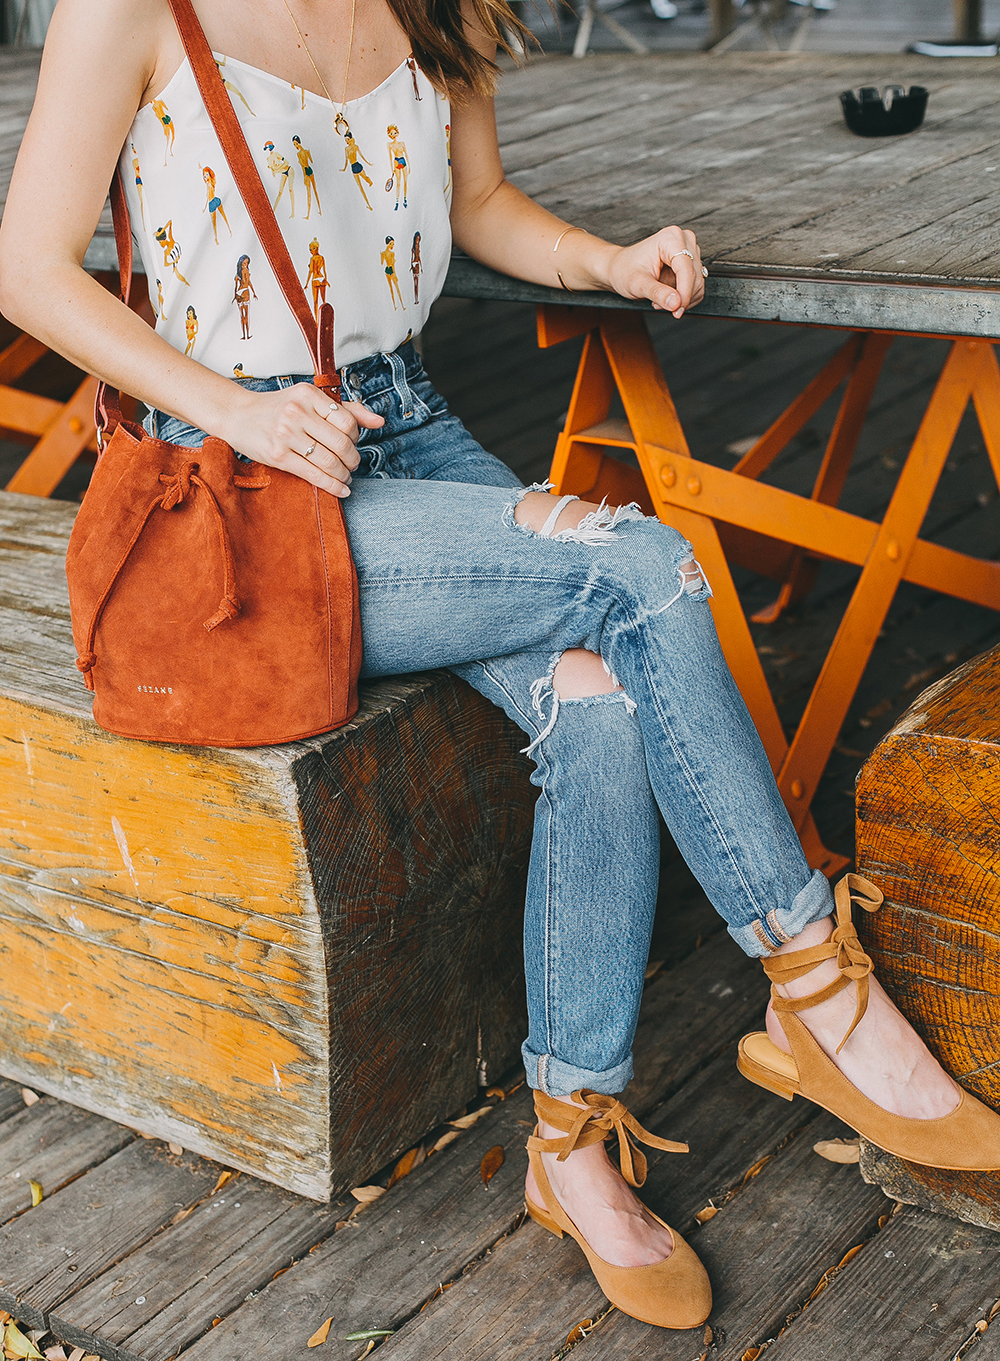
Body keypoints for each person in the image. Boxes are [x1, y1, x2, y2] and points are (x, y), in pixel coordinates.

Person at [3, 0, 999, 1335]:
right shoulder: (128, 8)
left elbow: (475, 200)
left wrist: (602, 257)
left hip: (410, 428)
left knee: (595, 704)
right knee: (639, 563)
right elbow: (28, 268)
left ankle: (570, 1137)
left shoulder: (439, 0)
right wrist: (239, 405)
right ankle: (817, 983)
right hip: (242, 480)